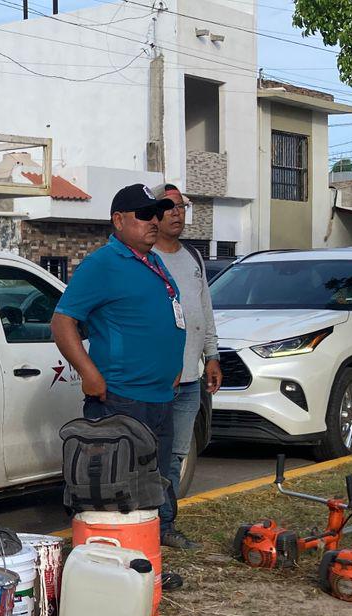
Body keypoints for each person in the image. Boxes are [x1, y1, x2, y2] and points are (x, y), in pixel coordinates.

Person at [52, 185, 188, 588]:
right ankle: (112, 577)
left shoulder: (152, 262)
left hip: (159, 397)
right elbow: (63, 322)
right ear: (118, 220)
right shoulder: (104, 263)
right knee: (119, 494)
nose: (154, 221)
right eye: (144, 214)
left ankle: (147, 571)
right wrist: (89, 372)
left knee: (152, 491)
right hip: (122, 400)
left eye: (157, 213)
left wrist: (174, 364)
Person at [150, 183, 221, 548]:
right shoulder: (145, 258)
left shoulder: (192, 256)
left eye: (182, 206)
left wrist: (212, 354)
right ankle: (145, 527)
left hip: (191, 379)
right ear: (153, 213)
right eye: (169, 206)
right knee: (150, 456)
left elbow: (204, 310)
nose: (177, 213)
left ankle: (166, 526)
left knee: (176, 456)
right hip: (155, 381)